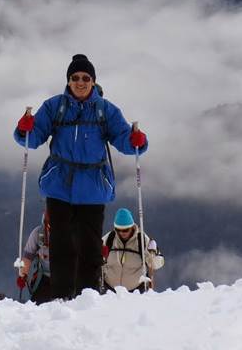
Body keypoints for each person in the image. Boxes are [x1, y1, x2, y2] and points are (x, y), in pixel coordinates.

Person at [13, 53, 148, 300]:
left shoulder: (105, 111)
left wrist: (136, 140)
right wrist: (24, 129)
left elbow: (124, 140)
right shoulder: (55, 106)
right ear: (68, 81)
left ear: (93, 81)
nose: (80, 82)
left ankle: (87, 296)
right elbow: (33, 138)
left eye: (86, 77)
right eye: (75, 77)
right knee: (61, 243)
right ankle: (64, 297)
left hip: (91, 188)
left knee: (90, 246)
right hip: (60, 186)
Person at [102, 207, 164, 292]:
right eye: (118, 230)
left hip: (136, 292)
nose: (121, 233)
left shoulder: (142, 240)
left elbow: (158, 262)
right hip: (110, 292)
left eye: (125, 230)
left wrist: (153, 258)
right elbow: (95, 254)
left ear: (131, 227)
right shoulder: (110, 238)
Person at [17, 211, 54, 303]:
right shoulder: (38, 233)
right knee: (38, 307)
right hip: (45, 277)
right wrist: (23, 274)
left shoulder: (71, 231)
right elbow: (28, 256)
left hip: (66, 277)